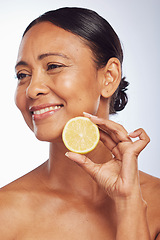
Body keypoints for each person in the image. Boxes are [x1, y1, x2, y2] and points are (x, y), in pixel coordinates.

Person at [0, 7, 159, 240]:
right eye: (23, 75)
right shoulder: (5, 213)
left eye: (53, 66)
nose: (33, 89)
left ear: (109, 77)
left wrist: (128, 204)